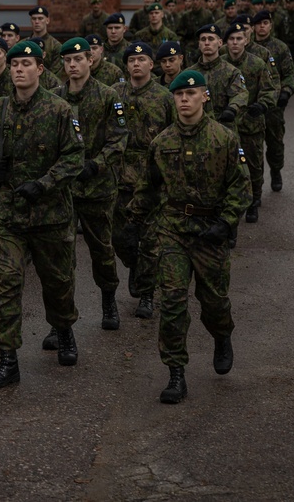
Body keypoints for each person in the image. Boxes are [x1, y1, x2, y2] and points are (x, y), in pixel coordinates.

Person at [127, 69, 250, 404]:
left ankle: (222, 334)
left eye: (190, 94)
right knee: (173, 302)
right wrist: (132, 220)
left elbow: (241, 186)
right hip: (173, 230)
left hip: (210, 232)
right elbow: (149, 188)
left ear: (204, 97)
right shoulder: (162, 142)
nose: (184, 100)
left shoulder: (224, 139)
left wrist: (226, 223)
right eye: (179, 95)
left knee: (213, 302)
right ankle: (176, 373)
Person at [0, 40, 84, 388]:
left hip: (51, 215)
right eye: (14, 64)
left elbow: (74, 158)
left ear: (40, 68)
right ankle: (8, 359)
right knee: (7, 285)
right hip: (9, 217)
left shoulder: (60, 110)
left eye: (26, 63)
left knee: (58, 283)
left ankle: (64, 329)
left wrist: (45, 183)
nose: (19, 69)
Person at [52, 38, 127, 337]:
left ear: (90, 60)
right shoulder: (55, 98)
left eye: (78, 59)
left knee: (102, 250)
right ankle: (61, 321)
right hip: (64, 190)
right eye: (68, 60)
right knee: (61, 257)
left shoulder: (108, 97)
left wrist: (96, 164)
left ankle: (109, 300)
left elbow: (119, 138)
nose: (73, 65)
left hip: (97, 188)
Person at [112, 42, 175, 318]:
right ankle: (134, 266)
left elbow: (174, 135)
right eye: (132, 59)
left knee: (150, 241)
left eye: (142, 59)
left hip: (151, 179)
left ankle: (147, 294)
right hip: (118, 177)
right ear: (126, 65)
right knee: (120, 239)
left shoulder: (165, 97)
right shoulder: (114, 94)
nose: (136, 64)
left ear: (152, 64)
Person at [222, 23, 276, 223]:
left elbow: (269, 89)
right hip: (226, 126)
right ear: (226, 42)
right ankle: (230, 205)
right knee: (227, 166)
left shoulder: (256, 64)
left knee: (253, 165)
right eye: (231, 39)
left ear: (246, 40)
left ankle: (254, 201)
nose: (235, 43)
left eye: (239, 38)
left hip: (251, 124)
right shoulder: (221, 65)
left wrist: (262, 105)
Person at [252, 10, 294, 193]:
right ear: (253, 26)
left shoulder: (280, 48)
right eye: (259, 23)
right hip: (252, 106)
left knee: (275, 144)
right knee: (252, 148)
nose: (262, 26)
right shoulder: (247, 47)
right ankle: (255, 187)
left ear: (271, 25)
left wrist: (286, 92)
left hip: (274, 106)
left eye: (265, 23)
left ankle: (276, 170)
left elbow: (290, 74)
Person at [192, 24, 248, 127]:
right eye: (203, 39)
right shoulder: (191, 73)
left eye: (211, 39)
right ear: (199, 44)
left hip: (225, 127)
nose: (207, 43)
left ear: (220, 43)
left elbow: (240, 94)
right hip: (198, 128)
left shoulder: (231, 71)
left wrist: (232, 109)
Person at [27, 6, 63, 76]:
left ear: (47, 20)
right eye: (34, 19)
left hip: (48, 84)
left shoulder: (55, 46)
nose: (37, 22)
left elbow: (56, 72)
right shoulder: (23, 44)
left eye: (40, 18)